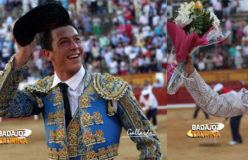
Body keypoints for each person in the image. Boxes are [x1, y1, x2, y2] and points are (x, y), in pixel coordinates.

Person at [0, 3, 161, 159]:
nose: (75, 46)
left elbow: (149, 143)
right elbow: (3, 106)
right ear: (47, 54)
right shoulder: (42, 93)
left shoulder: (113, 91)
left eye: (77, 39)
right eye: (64, 42)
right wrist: (22, 55)